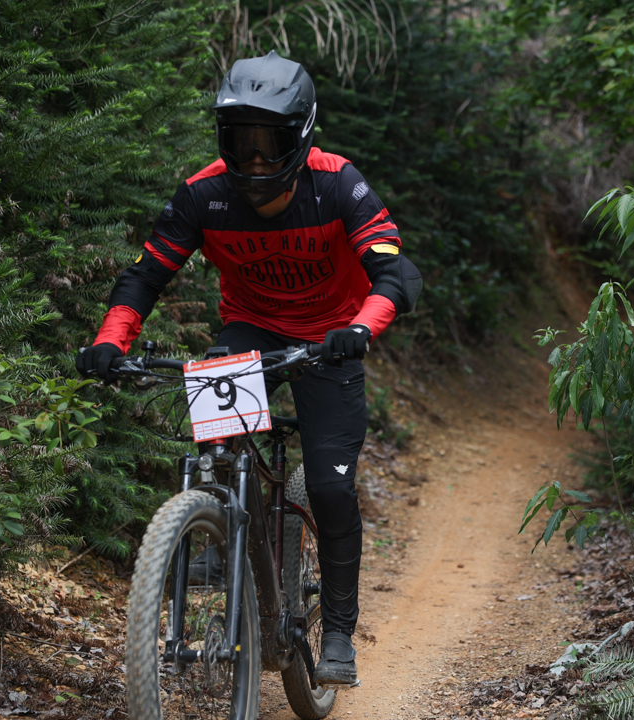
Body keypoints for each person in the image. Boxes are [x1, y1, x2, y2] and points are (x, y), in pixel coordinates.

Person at [76, 50, 421, 686]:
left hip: (329, 340)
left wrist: (357, 329)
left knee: (331, 487)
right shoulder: (204, 195)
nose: (257, 159)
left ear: (302, 136)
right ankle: (219, 534)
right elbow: (145, 277)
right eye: (242, 141)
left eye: (272, 142)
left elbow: (395, 273)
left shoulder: (339, 184)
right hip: (251, 331)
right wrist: (110, 340)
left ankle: (339, 630)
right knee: (215, 443)